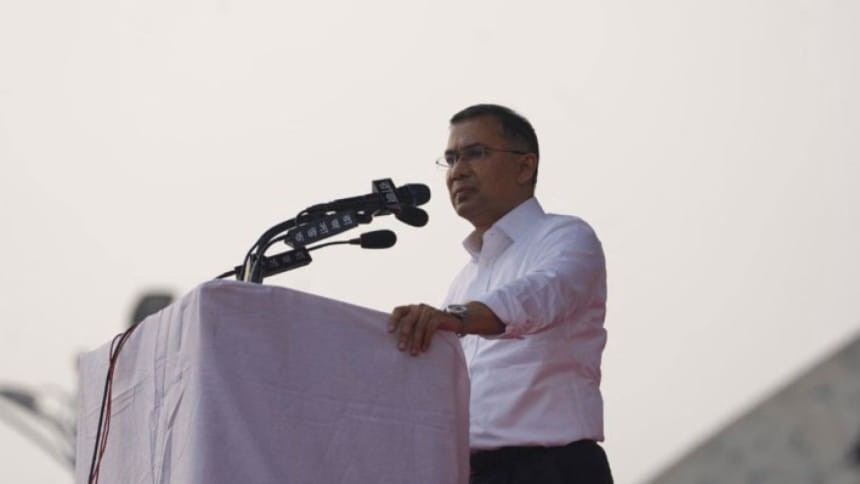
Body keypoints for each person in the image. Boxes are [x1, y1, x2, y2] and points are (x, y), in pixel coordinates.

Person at [388, 104, 612, 483]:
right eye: (451, 159)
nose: (458, 171)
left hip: (551, 467)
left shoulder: (565, 237)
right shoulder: (464, 281)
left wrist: (458, 319)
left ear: (524, 167)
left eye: (475, 153)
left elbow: (539, 296)